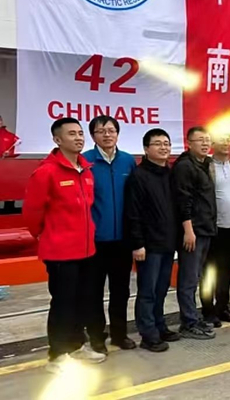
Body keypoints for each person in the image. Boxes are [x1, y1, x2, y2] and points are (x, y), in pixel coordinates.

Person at [23, 118, 106, 372]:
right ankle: (57, 354)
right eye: (72, 134)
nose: (78, 138)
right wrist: (44, 235)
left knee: (82, 300)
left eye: (80, 133)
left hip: (87, 250)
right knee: (63, 302)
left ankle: (77, 345)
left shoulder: (86, 170)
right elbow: (32, 213)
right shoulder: (46, 172)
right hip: (60, 252)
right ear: (57, 140)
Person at [83, 115, 137, 353]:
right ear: (93, 135)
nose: (107, 135)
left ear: (117, 133)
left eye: (111, 130)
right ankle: (97, 337)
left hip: (122, 240)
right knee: (93, 292)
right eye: (101, 131)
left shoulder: (128, 161)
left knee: (121, 291)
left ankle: (119, 334)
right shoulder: (85, 161)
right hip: (94, 241)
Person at [124, 128, 180, 352]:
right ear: (146, 149)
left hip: (167, 242)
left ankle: (160, 326)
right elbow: (133, 213)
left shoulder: (170, 173)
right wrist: (137, 244)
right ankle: (148, 334)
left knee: (162, 289)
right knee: (147, 291)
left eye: (167, 143)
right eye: (158, 143)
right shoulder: (138, 176)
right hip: (148, 245)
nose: (164, 147)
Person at [172, 126, 217, 339]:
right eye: (200, 140)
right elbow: (183, 201)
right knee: (189, 278)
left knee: (196, 276)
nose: (205, 143)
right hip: (193, 232)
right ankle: (188, 323)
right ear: (189, 143)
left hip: (205, 229)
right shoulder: (184, 167)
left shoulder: (204, 164)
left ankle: (193, 317)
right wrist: (188, 230)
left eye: (207, 140)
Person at [200, 135, 230, 327]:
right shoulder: (206, 166)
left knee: (226, 271)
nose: (226, 144)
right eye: (221, 140)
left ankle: (223, 307)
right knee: (209, 271)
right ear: (212, 144)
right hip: (212, 228)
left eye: (228, 140)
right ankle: (208, 310)